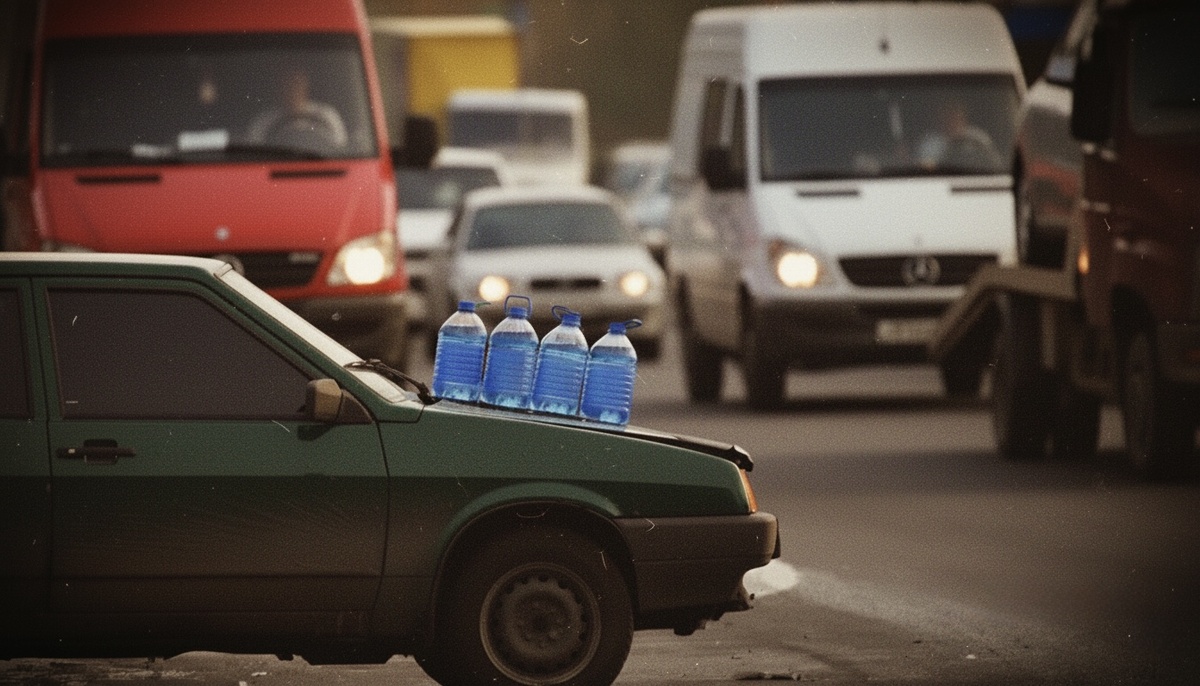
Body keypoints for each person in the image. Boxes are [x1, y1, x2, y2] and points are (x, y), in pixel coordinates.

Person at [244, 67, 348, 150]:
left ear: (306, 86)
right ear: (279, 89)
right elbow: (255, 154)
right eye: (287, 85)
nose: (292, 89)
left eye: (297, 83)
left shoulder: (326, 115)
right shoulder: (264, 122)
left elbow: (340, 148)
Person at [917, 99, 1002, 171]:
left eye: (955, 114)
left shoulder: (978, 137)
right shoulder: (930, 143)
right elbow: (926, 168)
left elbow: (994, 162)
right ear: (940, 118)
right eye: (947, 115)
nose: (952, 119)